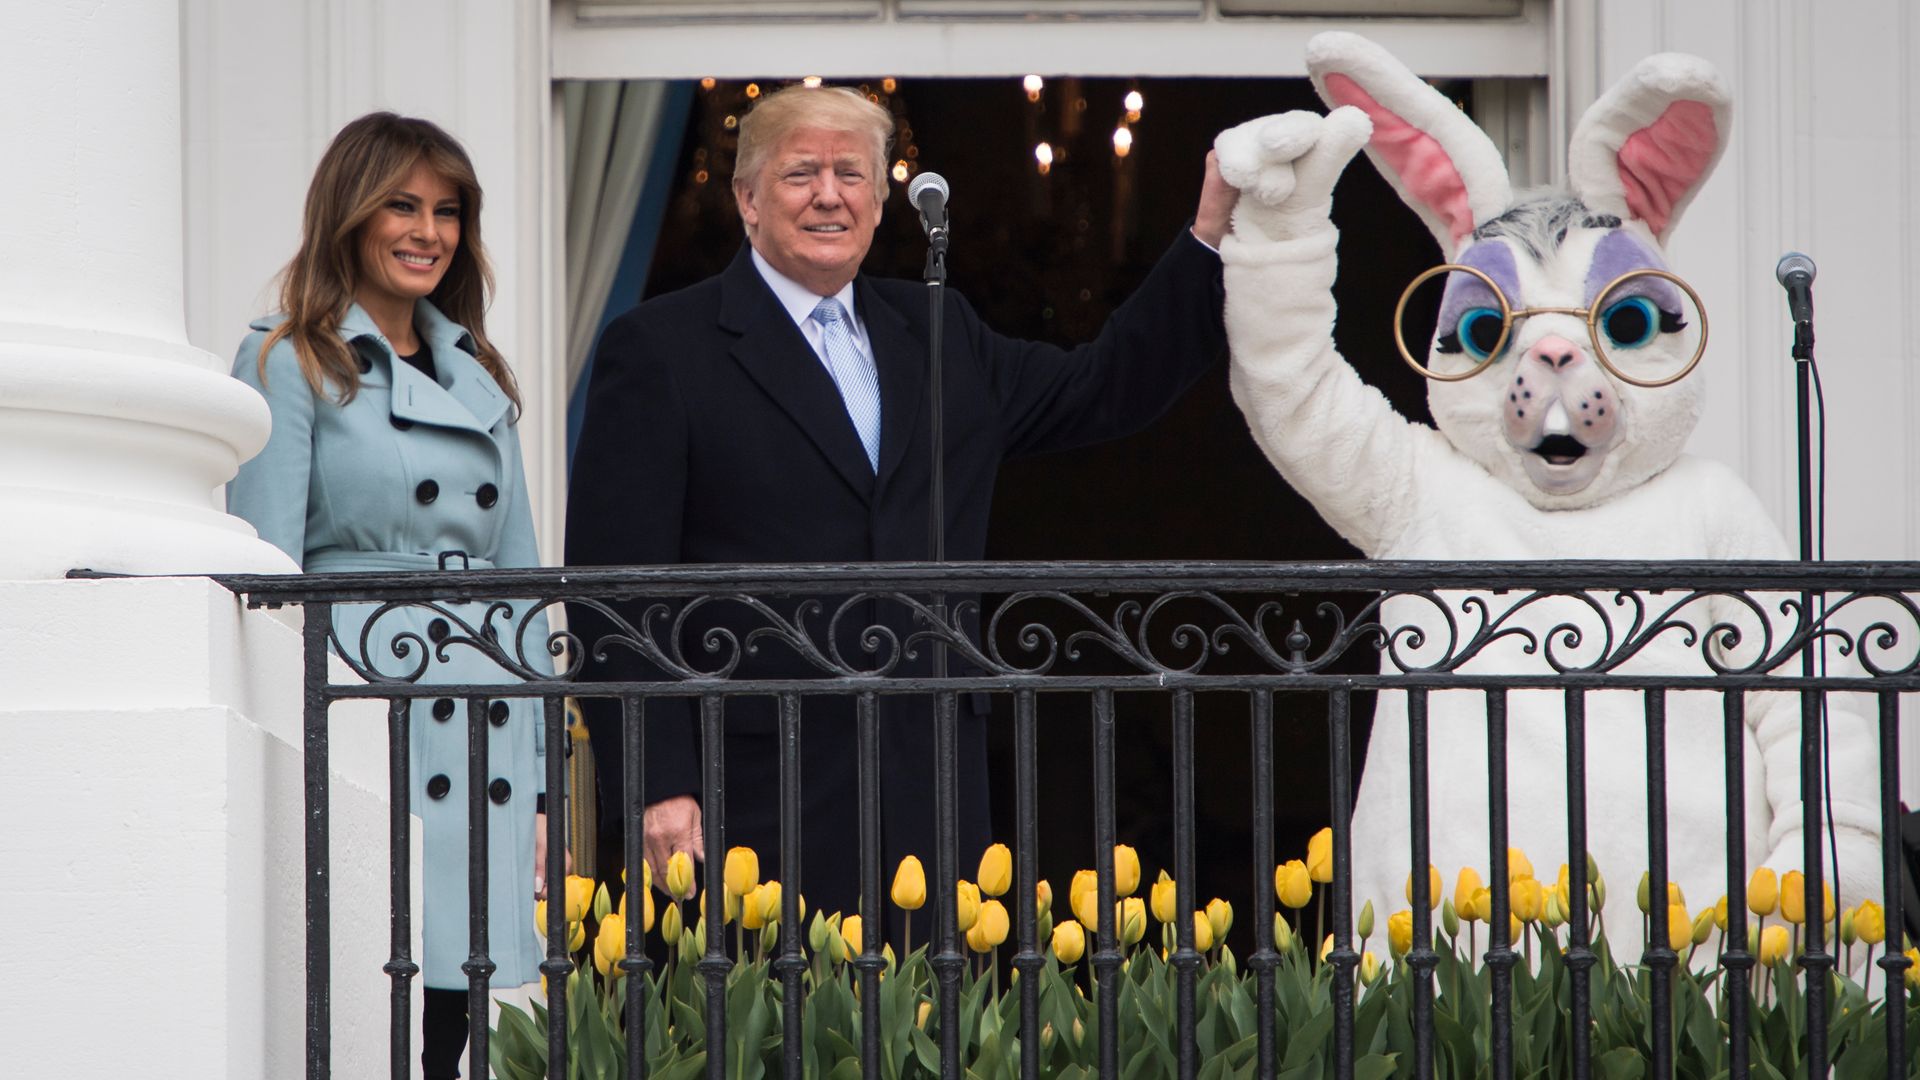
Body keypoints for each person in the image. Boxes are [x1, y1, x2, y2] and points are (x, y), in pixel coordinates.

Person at [566, 84, 1235, 925]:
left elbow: (1104, 388)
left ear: (883, 199)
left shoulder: (939, 329)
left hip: (927, 781)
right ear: (747, 198)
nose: (829, 194)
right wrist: (658, 782)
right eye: (800, 172)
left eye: (852, 173)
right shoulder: (662, 348)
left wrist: (1209, 238)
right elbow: (610, 588)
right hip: (752, 788)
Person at [227, 112, 550, 1080]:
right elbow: (268, 578)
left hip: (481, 715)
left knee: (457, 1013)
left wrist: (536, 782)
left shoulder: (479, 372)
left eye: (447, 210)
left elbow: (524, 585)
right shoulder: (291, 358)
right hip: (366, 707)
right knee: (367, 991)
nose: (428, 231)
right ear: (352, 216)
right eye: (401, 205)